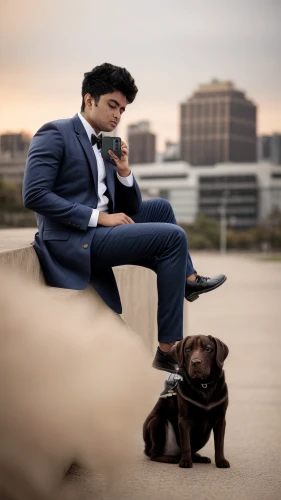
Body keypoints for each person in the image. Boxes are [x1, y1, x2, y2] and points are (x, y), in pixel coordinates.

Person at [23, 63, 226, 373]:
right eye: (112, 105)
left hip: (99, 229)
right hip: (75, 238)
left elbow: (131, 207)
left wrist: (124, 171)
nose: (117, 115)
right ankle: (169, 348)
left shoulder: (106, 144)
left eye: (123, 109)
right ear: (89, 100)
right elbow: (34, 195)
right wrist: (97, 218)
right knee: (174, 238)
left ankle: (187, 279)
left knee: (160, 209)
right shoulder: (55, 133)